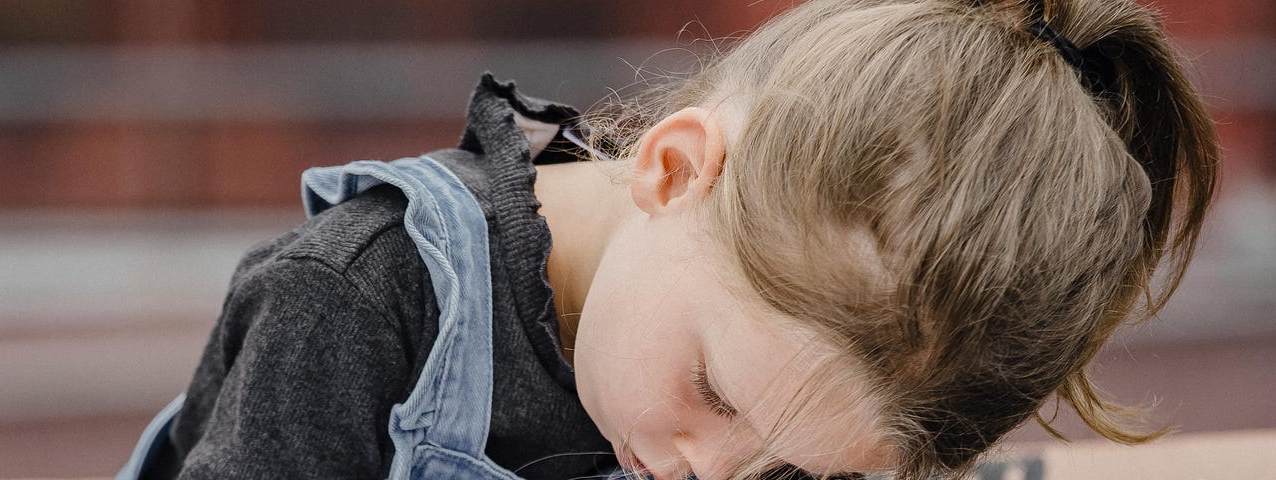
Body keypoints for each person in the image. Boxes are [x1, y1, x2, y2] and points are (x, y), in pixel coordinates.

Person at [128, 0, 1218, 478]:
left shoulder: (764, 415)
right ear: (673, 167)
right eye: (719, 390)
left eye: (793, 471)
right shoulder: (356, 304)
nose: (712, 469)